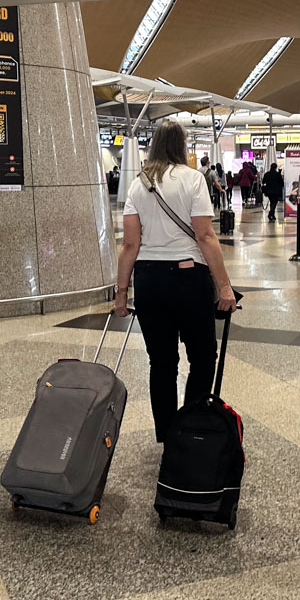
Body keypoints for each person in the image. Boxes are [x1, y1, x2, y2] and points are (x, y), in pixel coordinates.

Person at [114, 121, 236, 443]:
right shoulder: (193, 179)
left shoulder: (138, 185)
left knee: (162, 362)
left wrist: (121, 295)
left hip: (149, 281)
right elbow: (205, 236)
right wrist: (224, 286)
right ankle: (191, 429)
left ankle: (168, 434)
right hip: (188, 279)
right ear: (181, 145)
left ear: (154, 145)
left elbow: (129, 245)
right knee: (202, 357)